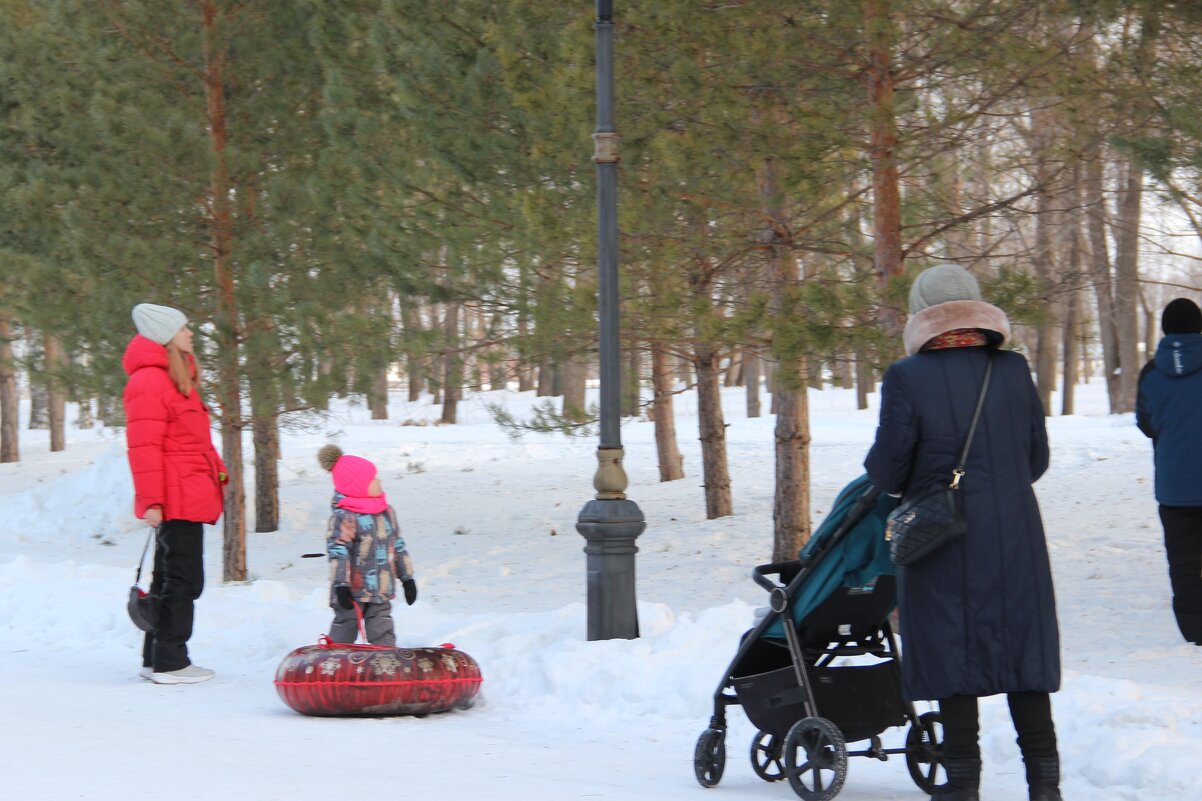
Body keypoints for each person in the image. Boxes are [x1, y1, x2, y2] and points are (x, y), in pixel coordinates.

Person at [864, 264, 1062, 801]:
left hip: (940, 537)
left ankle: (963, 784)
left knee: (953, 651)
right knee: (1025, 655)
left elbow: (888, 472)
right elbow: (1035, 458)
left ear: (921, 315)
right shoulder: (1013, 370)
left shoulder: (907, 377)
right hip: (1015, 535)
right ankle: (1045, 786)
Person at [123, 302, 227, 685]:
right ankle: (171, 661)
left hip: (188, 490)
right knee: (183, 580)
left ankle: (156, 658)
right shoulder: (150, 382)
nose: (191, 334)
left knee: (169, 578)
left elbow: (192, 439)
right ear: (166, 336)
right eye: (184, 329)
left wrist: (216, 471)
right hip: (175, 495)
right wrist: (152, 501)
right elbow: (144, 449)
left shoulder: (172, 377)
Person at [1136, 297, 1202, 646]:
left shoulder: (1150, 372)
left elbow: (1145, 424)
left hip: (1174, 486)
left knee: (1184, 559)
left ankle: (1194, 628)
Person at [317, 444, 417, 645]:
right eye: (373, 478)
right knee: (345, 627)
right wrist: (341, 584)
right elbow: (339, 551)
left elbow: (397, 545)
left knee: (383, 631)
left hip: (381, 589)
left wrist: (407, 578)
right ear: (358, 485)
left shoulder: (386, 512)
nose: (379, 481)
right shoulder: (344, 517)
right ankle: (335, 665)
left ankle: (385, 667)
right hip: (352, 591)